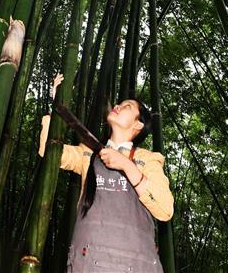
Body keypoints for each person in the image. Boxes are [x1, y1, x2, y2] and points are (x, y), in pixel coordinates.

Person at [38, 73, 174, 272]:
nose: (118, 105)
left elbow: (165, 209)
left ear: (138, 125)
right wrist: (55, 105)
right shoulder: (88, 153)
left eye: (127, 106)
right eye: (119, 103)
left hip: (136, 265)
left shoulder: (148, 160)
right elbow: (47, 151)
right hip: (88, 262)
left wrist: (127, 165)